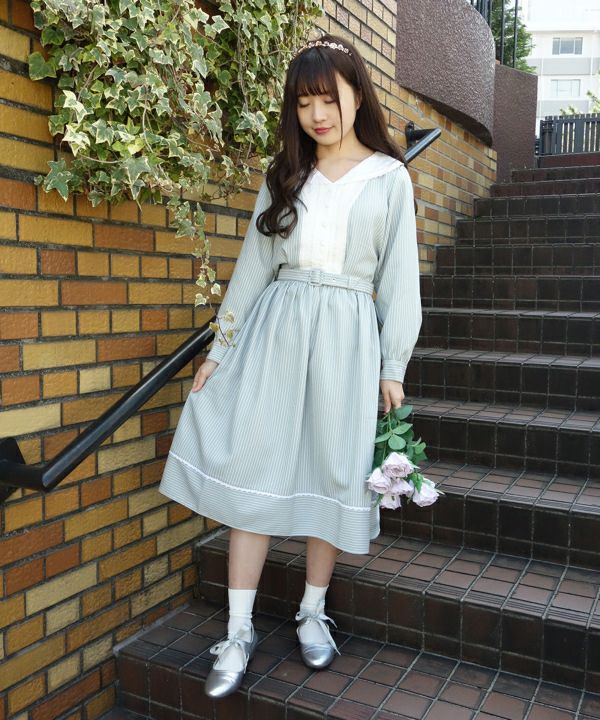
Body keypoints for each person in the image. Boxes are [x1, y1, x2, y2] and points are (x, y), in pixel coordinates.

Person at [158, 32, 422, 698]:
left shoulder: (389, 178)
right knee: (254, 467)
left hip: (348, 340)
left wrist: (392, 365)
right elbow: (252, 272)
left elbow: (400, 281)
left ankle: (311, 611)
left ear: (357, 95)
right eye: (304, 102)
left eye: (328, 98)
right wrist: (219, 350)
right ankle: (237, 630)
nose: (317, 114)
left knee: (333, 471)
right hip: (275, 335)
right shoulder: (285, 175)